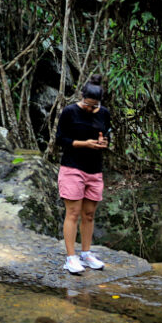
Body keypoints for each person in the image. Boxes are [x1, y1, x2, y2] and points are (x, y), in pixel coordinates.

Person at [56, 74, 111, 274]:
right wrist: (83, 144)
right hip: (72, 167)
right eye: (87, 105)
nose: (90, 109)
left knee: (89, 214)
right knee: (73, 213)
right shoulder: (70, 112)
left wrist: (103, 143)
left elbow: (107, 137)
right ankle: (71, 258)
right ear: (81, 97)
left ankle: (86, 254)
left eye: (93, 106)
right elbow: (60, 139)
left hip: (94, 170)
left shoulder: (104, 113)